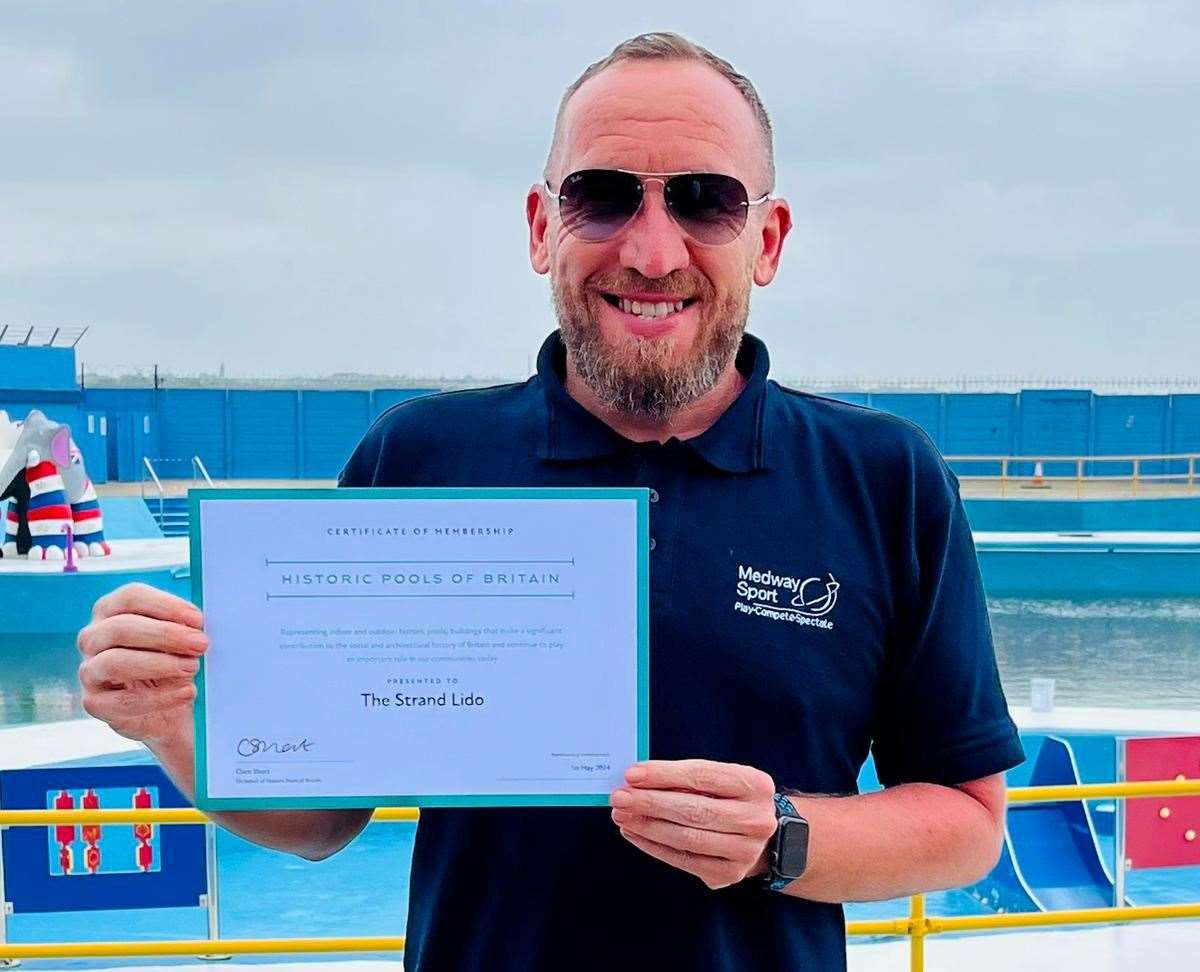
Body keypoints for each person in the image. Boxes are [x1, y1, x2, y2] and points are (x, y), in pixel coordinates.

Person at [78, 32, 1023, 971]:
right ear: (542, 228)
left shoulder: (884, 479)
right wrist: (172, 722)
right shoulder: (421, 461)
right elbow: (320, 817)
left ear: (766, 241)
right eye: (603, 196)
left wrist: (781, 837)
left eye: (706, 201)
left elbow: (967, 821)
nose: (653, 253)